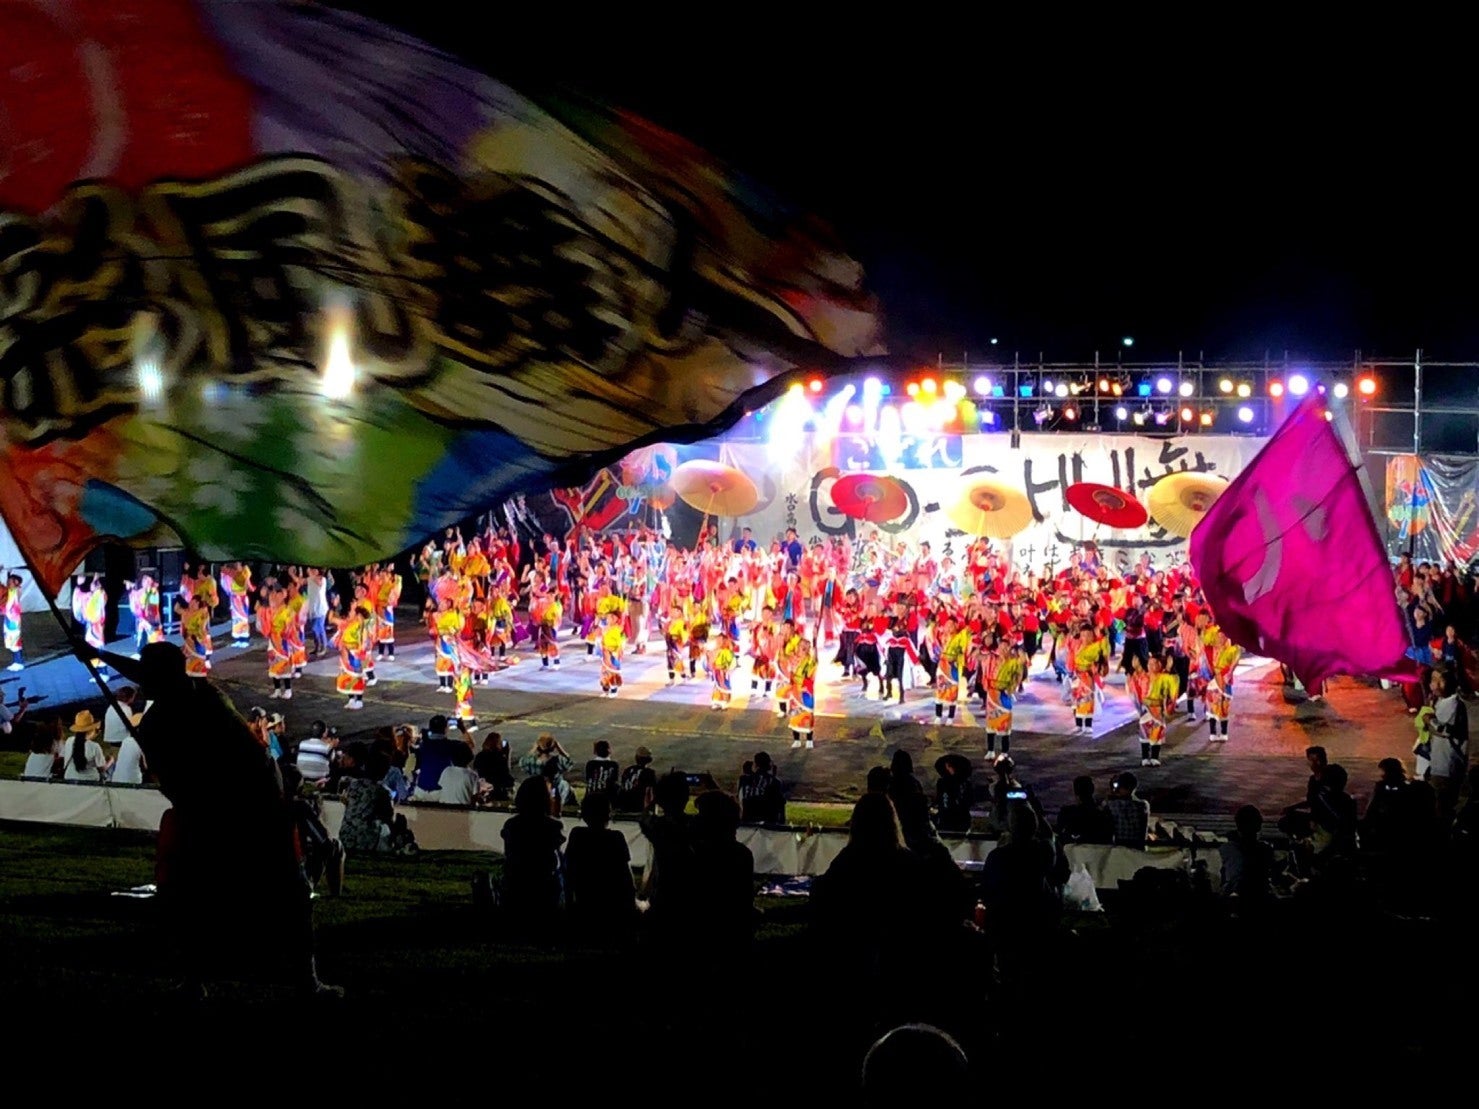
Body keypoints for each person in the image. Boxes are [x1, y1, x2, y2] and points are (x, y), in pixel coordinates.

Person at [93, 641, 340, 998]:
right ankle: (291, 978)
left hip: (236, 810)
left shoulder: (173, 716)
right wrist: (98, 654)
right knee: (256, 897)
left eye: (148, 677)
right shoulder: (199, 698)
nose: (143, 684)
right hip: (232, 810)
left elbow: (179, 775)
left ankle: (210, 978)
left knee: (262, 896)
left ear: (159, 678)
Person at [564, 791, 636, 940]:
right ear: (608, 814)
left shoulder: (577, 836)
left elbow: (569, 870)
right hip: (612, 904)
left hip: (585, 900)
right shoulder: (616, 838)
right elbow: (626, 876)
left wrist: (569, 903)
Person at [499, 776, 566, 932]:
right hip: (543, 887)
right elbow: (554, 860)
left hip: (515, 885)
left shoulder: (511, 825)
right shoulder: (552, 826)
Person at [1427, 669, 1469, 818]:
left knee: (1443, 809)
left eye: (1441, 680)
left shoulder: (1454, 704)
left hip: (1448, 765)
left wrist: (1430, 720)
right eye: (1433, 680)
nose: (1436, 684)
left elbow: (1446, 731)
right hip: (1438, 763)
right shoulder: (1439, 701)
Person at [1219, 804, 1277, 902]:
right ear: (1258, 826)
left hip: (1236, 898)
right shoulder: (1266, 849)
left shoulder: (1226, 849)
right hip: (1260, 897)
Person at [1055, 775, 1113, 845]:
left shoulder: (1066, 813)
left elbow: (1060, 834)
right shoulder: (1103, 814)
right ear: (1092, 789)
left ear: (1075, 792)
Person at [738, 750, 786, 824]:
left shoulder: (743, 780)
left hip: (747, 821)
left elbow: (740, 799)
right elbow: (780, 805)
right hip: (768, 821)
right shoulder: (774, 781)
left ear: (755, 765)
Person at [62, 711, 111, 782]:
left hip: (69, 777)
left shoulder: (69, 741)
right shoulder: (94, 746)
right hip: (90, 781)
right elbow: (102, 768)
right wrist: (110, 761)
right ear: (91, 730)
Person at [1106, 771, 1150, 848]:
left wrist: (1113, 792)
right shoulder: (1143, 805)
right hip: (1137, 847)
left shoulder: (1112, 805)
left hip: (1120, 847)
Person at [933, 753, 974, 834]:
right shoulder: (943, 782)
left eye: (949, 766)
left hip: (957, 818)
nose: (947, 768)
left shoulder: (963, 783)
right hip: (950, 818)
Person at [614, 745, 657, 814]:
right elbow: (649, 793)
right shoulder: (649, 772)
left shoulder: (627, 770)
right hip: (638, 807)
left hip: (624, 806)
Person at [473, 732, 514, 800]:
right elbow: (506, 772)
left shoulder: (479, 756)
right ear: (497, 744)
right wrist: (508, 755)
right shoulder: (499, 757)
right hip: (498, 790)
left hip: (484, 787)